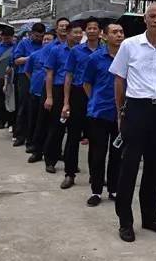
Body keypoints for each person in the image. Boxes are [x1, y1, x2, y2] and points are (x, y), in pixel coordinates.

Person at [110, 2, 156, 243]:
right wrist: (121, 111)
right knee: (129, 166)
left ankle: (150, 217)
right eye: (152, 16)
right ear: (145, 18)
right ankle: (125, 221)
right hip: (136, 108)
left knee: (154, 166)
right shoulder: (130, 45)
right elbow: (120, 80)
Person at [83, 22, 125, 207]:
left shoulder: (128, 57)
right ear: (105, 36)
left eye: (121, 32)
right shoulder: (95, 58)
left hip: (120, 114)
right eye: (114, 32)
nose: (119, 35)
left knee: (117, 153)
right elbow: (86, 84)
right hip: (99, 112)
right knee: (98, 153)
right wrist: (95, 100)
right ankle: (96, 190)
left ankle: (114, 188)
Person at [59, 18, 102, 189]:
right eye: (89, 28)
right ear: (86, 32)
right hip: (78, 94)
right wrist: (66, 102)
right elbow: (68, 77)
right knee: (73, 136)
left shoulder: (105, 51)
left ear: (100, 32)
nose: (92, 31)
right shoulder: (76, 51)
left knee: (96, 138)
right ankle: (70, 174)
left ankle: (96, 175)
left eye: (95, 28)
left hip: (97, 96)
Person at [43, 19, 81, 174]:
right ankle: (50, 160)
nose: (78, 35)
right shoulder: (56, 50)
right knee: (57, 127)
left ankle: (71, 162)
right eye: (74, 32)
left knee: (74, 130)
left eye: (80, 32)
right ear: (68, 34)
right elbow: (49, 74)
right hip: (58, 90)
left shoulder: (82, 51)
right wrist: (49, 96)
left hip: (77, 90)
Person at [12, 23, 46, 147]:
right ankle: (20, 135)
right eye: (37, 36)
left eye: (41, 36)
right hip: (25, 76)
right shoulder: (24, 44)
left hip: (41, 77)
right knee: (24, 106)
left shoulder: (45, 44)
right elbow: (16, 60)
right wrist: (31, 58)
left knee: (38, 109)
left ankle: (33, 137)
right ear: (31, 34)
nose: (39, 38)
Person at [24, 31, 55, 163]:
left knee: (51, 125)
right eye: (45, 39)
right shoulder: (35, 55)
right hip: (36, 92)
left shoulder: (58, 54)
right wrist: (34, 81)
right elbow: (27, 71)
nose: (46, 42)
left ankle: (51, 150)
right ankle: (34, 146)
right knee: (36, 121)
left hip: (52, 94)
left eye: (49, 40)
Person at [0, 29, 16, 130]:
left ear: (12, 37)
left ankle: (11, 122)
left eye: (8, 38)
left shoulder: (16, 47)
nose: (6, 40)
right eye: (4, 38)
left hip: (12, 76)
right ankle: (1, 121)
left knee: (10, 100)